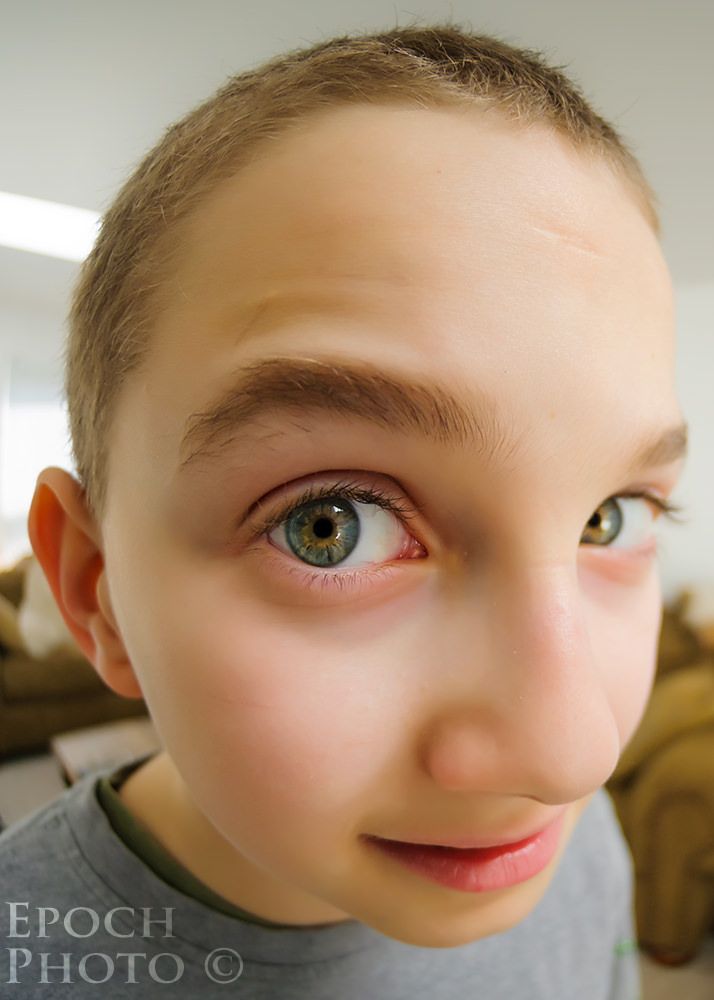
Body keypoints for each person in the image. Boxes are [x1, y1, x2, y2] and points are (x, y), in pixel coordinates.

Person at [0, 20, 688, 998]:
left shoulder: (582, 847)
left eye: (607, 518)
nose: (572, 752)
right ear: (94, 591)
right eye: (332, 523)